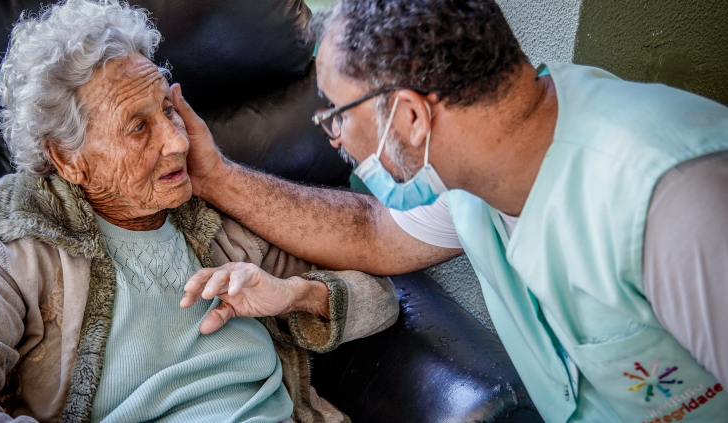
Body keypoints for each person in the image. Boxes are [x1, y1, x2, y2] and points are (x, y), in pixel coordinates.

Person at [176, 0, 728, 421]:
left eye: (337, 114)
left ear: (412, 117)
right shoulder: (482, 164)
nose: (334, 138)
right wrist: (218, 177)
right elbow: (374, 233)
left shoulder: (679, 205)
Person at [0, 1, 400, 422]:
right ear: (67, 159)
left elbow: (384, 299)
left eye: (169, 109)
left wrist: (292, 295)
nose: (178, 142)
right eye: (139, 127)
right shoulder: (14, 239)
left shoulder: (211, 210)